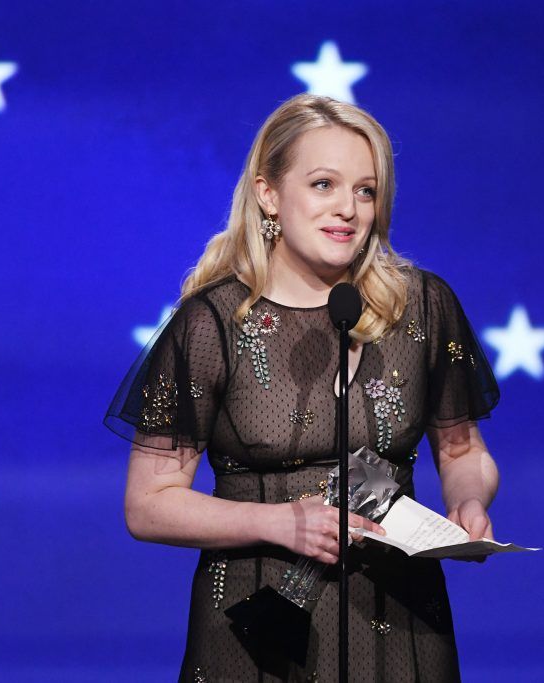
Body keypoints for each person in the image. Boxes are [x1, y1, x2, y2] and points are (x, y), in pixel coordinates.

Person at [105, 93, 500, 682]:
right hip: (260, 624)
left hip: (399, 621)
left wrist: (470, 502)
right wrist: (277, 522)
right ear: (269, 194)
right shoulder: (214, 324)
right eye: (323, 184)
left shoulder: (421, 306)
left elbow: (462, 450)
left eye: (365, 190)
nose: (348, 208)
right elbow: (148, 504)